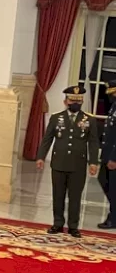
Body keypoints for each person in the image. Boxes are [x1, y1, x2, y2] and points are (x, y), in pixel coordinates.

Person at [36, 86, 99, 238]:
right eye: (72, 100)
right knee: (58, 195)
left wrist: (93, 162)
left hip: (78, 165)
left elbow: (93, 142)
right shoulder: (56, 118)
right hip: (58, 163)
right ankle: (58, 223)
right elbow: (47, 139)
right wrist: (41, 157)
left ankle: (73, 226)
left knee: (75, 197)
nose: (75, 103)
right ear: (66, 101)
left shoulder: (89, 119)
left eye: (79, 101)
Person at [98, 80, 116, 230]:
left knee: (112, 186)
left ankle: (114, 217)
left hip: (113, 156)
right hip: (108, 153)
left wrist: (113, 158)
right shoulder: (114, 107)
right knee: (104, 180)